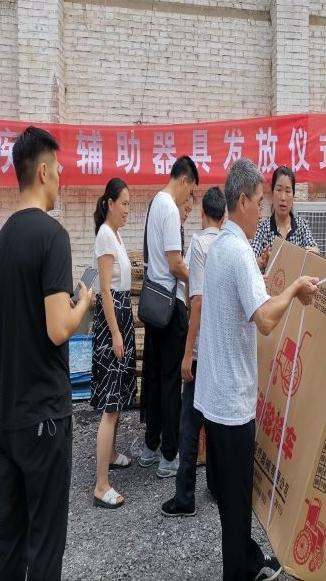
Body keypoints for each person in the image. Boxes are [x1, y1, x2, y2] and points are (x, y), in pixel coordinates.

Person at [194, 158, 318, 581]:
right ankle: (238, 572)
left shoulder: (221, 247)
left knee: (233, 496)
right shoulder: (238, 252)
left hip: (215, 397)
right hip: (232, 403)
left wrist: (261, 276)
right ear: (243, 201)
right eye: (261, 201)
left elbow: (242, 299)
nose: (264, 209)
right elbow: (264, 319)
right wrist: (296, 288)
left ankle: (249, 560)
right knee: (235, 503)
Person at [0, 126, 92, 580]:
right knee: (46, 541)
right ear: (44, 171)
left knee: (11, 536)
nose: (62, 178)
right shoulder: (52, 236)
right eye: (59, 169)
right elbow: (58, 328)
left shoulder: (0, 242)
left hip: (11, 415)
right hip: (46, 416)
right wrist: (83, 302)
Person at [161, 186, 226, 518]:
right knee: (215, 423)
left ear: (203, 214)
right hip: (222, 352)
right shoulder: (231, 245)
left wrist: (187, 353)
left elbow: (196, 301)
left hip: (201, 352)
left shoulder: (200, 245)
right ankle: (216, 485)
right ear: (224, 216)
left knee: (190, 424)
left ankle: (185, 497)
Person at [138, 156, 199, 478]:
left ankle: (150, 447)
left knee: (154, 377)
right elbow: (175, 264)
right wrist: (200, 280)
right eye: (191, 190)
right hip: (170, 308)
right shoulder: (171, 210)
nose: (189, 198)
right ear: (184, 181)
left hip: (153, 306)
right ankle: (169, 456)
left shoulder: (154, 204)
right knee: (171, 380)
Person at [90, 178, 137, 509]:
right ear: (109, 203)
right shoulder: (106, 235)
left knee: (118, 395)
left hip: (121, 315)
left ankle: (112, 453)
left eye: (129, 204)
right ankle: (101, 485)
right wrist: (117, 333)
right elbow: (105, 290)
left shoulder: (115, 234)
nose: (127, 209)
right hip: (112, 320)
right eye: (123, 203)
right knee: (110, 403)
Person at [250, 165, 319, 273]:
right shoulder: (262, 228)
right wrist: (262, 262)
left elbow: (316, 251)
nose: (283, 197)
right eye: (279, 190)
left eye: (287, 191)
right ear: (272, 192)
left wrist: (312, 252)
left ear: (293, 195)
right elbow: (250, 263)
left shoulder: (301, 226)